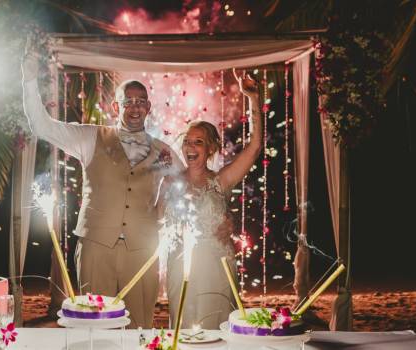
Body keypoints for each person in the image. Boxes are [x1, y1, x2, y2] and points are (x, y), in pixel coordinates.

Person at [21, 50, 182, 328]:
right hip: (95, 245)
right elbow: (42, 126)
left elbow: (186, 185)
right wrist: (29, 81)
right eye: (127, 101)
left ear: (149, 107)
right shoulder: (89, 137)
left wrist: (166, 213)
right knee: (94, 323)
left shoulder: (163, 151)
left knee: (139, 324)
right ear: (116, 108)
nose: (134, 107)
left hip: (142, 248)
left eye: (141, 102)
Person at [158, 71, 262, 329]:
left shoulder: (221, 181)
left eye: (199, 142)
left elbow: (255, 147)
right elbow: (156, 222)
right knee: (183, 330)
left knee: (217, 328)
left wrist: (253, 100)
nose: (190, 147)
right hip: (180, 267)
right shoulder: (169, 181)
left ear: (211, 149)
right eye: (187, 142)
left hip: (217, 266)